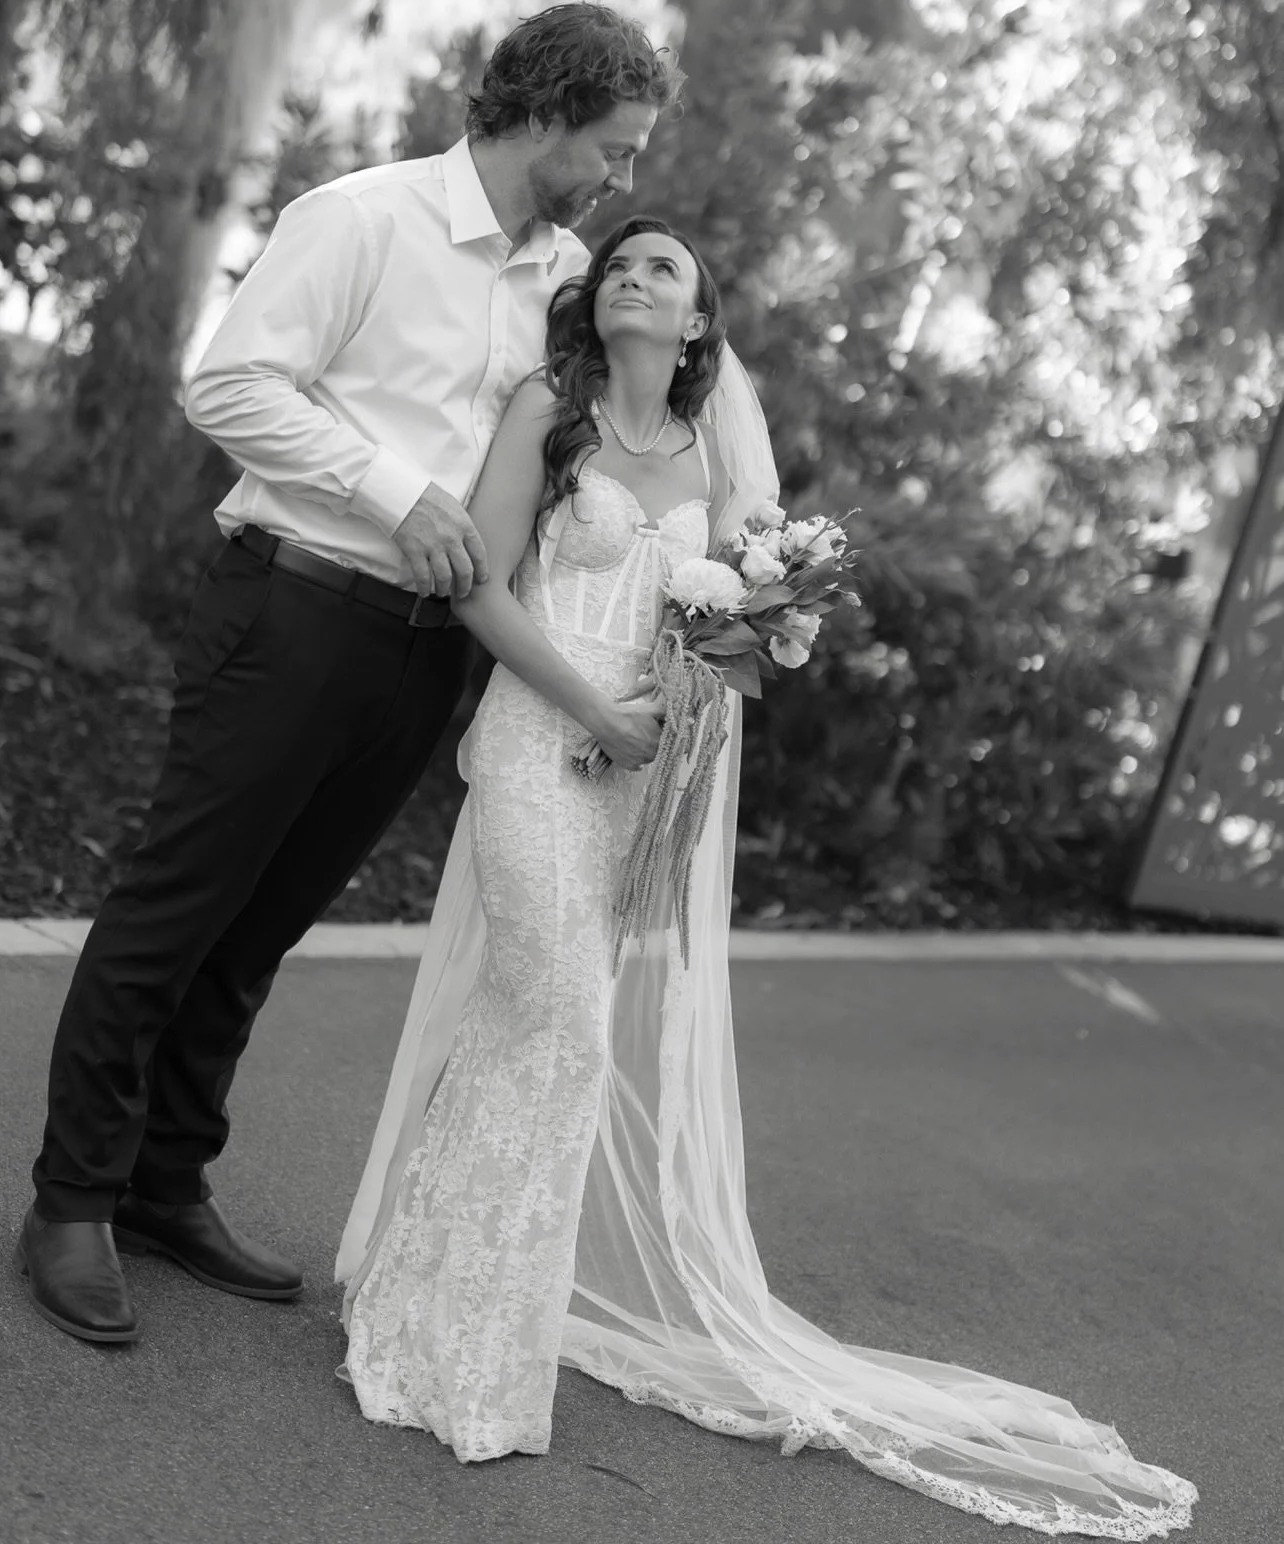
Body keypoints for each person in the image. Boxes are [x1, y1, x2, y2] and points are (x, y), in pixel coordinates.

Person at [337, 216, 1198, 1537]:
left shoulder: (715, 456)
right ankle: (465, 1358)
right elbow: (485, 590)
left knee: (529, 1028)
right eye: (618, 264)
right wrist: (593, 706)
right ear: (598, 305)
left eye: (662, 271)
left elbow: (744, 625)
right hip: (531, 737)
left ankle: (429, 1302)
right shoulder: (544, 412)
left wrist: (696, 685)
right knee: (563, 1028)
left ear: (696, 327)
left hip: (633, 777)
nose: (632, 277)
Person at [16, 3, 683, 1345]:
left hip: (430, 651)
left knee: (265, 925)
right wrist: (394, 493)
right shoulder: (363, 218)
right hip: (296, 611)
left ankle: (163, 1182)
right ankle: (69, 1201)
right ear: (546, 113)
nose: (621, 181)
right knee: (178, 904)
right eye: (611, 148)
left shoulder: (560, 274)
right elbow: (232, 387)